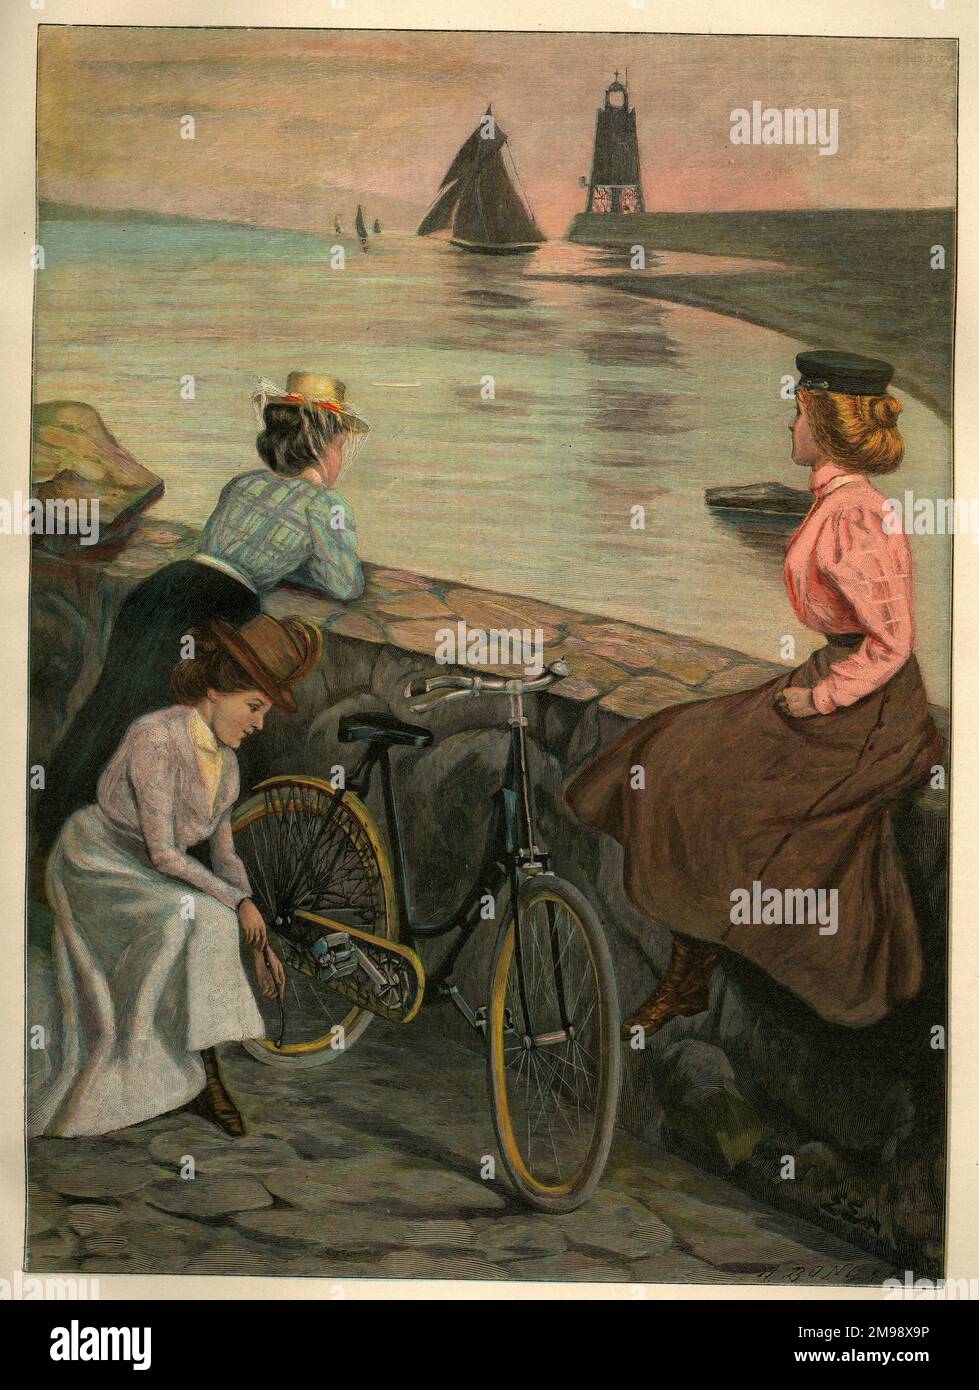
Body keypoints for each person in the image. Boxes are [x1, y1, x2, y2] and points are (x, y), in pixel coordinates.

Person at [566, 351, 943, 1034]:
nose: (787, 426)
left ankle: (702, 969)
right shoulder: (835, 502)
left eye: (796, 413)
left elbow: (891, 643)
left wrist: (818, 701)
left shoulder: (854, 516)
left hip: (869, 711)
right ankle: (689, 971)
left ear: (825, 426)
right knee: (672, 743)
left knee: (717, 784)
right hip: (840, 683)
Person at [35, 372, 368, 850]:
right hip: (215, 608)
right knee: (163, 733)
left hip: (161, 589)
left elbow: (217, 546)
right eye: (339, 444)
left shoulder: (243, 484)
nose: (341, 456)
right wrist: (302, 563)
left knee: (111, 711)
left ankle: (57, 832)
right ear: (323, 446)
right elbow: (346, 583)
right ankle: (125, 850)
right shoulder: (326, 506)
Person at [28, 614, 321, 1139]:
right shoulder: (157, 738)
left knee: (210, 920)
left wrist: (256, 935)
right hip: (97, 862)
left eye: (264, 712)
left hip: (145, 868)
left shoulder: (227, 767)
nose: (258, 724)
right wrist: (237, 904)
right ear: (216, 689)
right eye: (254, 707)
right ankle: (167, 1072)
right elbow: (165, 853)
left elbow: (225, 855)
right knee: (193, 919)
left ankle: (206, 1076)